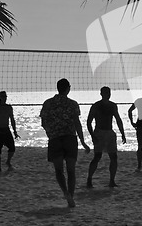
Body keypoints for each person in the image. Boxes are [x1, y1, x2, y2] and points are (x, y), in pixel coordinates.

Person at [40, 78, 91, 208]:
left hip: (55, 138)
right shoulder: (72, 104)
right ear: (68, 88)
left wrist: (50, 133)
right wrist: (83, 142)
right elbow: (77, 124)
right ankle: (71, 197)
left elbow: (43, 123)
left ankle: (66, 193)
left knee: (59, 170)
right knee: (71, 170)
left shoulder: (48, 103)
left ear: (58, 88)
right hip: (69, 138)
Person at [86, 86, 126, 188]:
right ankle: (89, 179)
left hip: (109, 132)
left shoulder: (112, 106)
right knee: (97, 157)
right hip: (99, 132)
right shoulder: (96, 106)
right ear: (101, 94)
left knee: (113, 157)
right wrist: (92, 135)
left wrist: (123, 133)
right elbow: (89, 122)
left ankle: (111, 181)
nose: (108, 95)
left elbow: (118, 120)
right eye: (106, 93)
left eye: (109, 93)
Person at [0, 91, 20, 172]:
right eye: (2, 97)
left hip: (6, 130)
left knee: (12, 148)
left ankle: (8, 162)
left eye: (5, 97)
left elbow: (12, 120)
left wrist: (15, 132)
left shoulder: (9, 107)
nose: (4, 98)